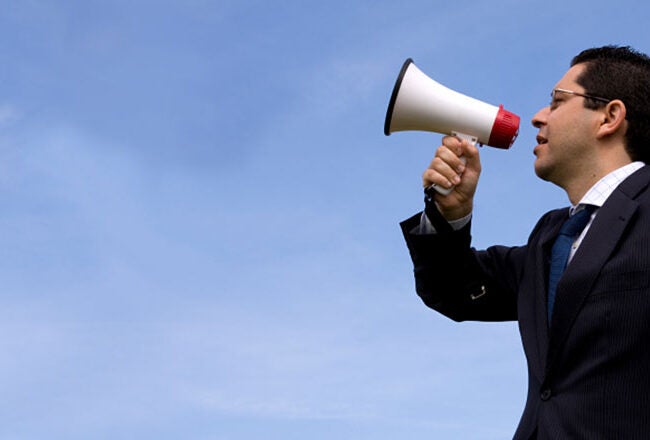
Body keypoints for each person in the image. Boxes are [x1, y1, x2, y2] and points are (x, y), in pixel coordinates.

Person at [400, 45, 650, 439]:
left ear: (610, 117)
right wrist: (451, 214)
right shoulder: (550, 238)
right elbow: (452, 291)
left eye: (557, 102)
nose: (537, 116)